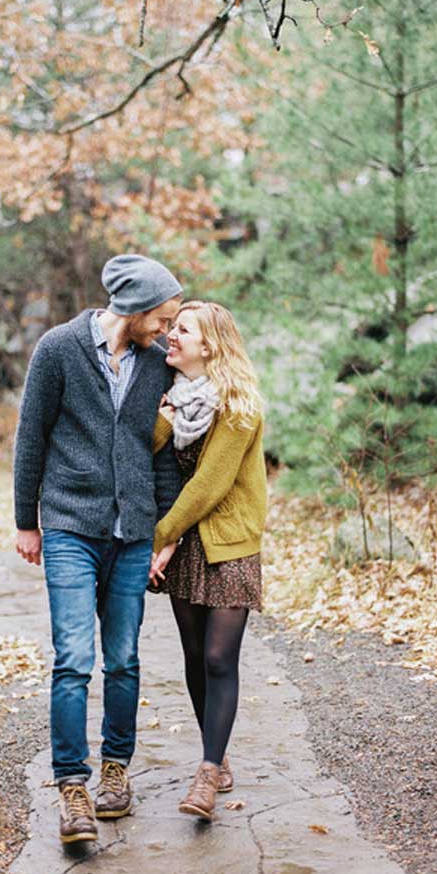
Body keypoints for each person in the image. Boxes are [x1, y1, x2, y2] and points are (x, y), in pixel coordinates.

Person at [13, 254, 183, 844]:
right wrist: (25, 521)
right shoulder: (58, 349)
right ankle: (71, 786)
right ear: (133, 310)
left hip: (133, 533)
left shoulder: (160, 363)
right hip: (68, 526)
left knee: (125, 660)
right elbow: (30, 436)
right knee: (72, 660)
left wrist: (162, 533)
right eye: (162, 318)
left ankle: (115, 770)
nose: (167, 330)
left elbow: (160, 453)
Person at [149, 300, 267, 821]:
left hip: (229, 543)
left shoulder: (239, 406)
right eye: (171, 328)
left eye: (182, 329)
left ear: (209, 344)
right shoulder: (172, 398)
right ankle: (215, 756)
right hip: (187, 544)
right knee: (195, 657)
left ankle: (206, 771)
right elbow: (148, 451)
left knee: (220, 658)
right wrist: (163, 418)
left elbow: (211, 483)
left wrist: (160, 537)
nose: (170, 336)